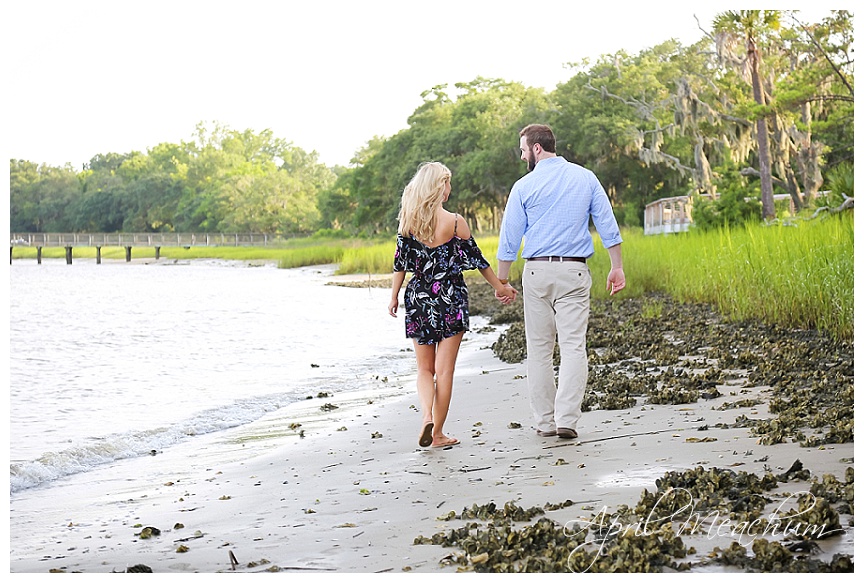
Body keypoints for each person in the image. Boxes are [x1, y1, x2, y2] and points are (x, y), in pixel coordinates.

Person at [495, 124, 625, 440]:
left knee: (539, 351)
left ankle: (544, 423)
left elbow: (510, 238)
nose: (522, 154)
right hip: (574, 272)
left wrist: (502, 279)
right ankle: (567, 419)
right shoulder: (586, 178)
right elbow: (607, 224)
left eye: (523, 149)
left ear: (537, 148)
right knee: (572, 346)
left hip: (537, 273)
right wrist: (616, 267)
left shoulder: (523, 186)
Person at [389, 161, 517, 448]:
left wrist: (394, 296)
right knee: (445, 371)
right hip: (451, 300)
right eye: (448, 183)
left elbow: (400, 263)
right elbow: (478, 260)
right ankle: (437, 435)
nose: (450, 188)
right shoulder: (456, 222)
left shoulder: (408, 222)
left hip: (419, 298)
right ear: (439, 186)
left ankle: (425, 417)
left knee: (424, 370)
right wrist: (500, 287)